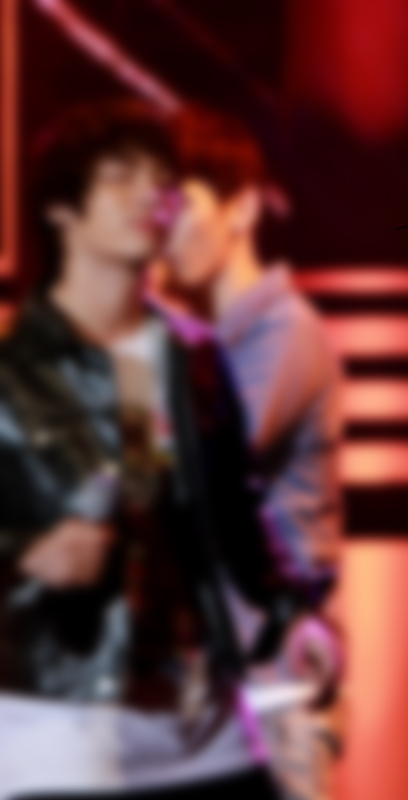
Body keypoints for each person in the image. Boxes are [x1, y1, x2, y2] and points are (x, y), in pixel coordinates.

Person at [0, 98, 312, 800]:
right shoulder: (15, 370)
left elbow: (236, 521)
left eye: (158, 179)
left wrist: (291, 617)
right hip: (53, 718)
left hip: (191, 720)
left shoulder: (187, 357)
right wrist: (26, 552)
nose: (150, 197)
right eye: (121, 178)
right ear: (61, 210)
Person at [157, 106, 344, 800]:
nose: (164, 231)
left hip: (273, 680)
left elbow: (195, 465)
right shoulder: (203, 341)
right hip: (221, 675)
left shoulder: (280, 330)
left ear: (239, 208)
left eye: (182, 207)